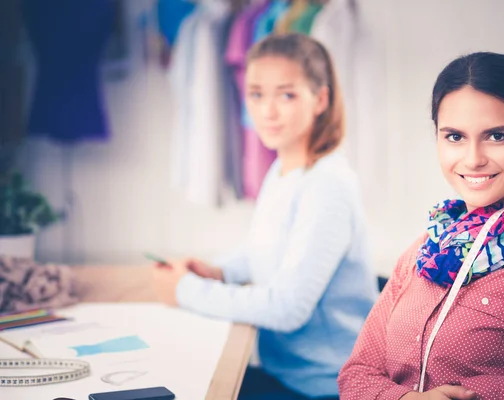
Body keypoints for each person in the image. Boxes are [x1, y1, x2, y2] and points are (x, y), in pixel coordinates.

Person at [338, 52, 504, 399]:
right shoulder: (424, 253)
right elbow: (356, 375)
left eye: (496, 136)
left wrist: (489, 393)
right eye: (455, 137)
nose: (473, 159)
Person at [153, 33, 378, 400]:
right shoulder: (283, 170)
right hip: (286, 372)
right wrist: (220, 271)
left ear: (320, 99)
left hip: (326, 386)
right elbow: (265, 247)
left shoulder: (327, 185)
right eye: (256, 94)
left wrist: (184, 290)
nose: (267, 111)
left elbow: (288, 309)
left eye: (286, 95)